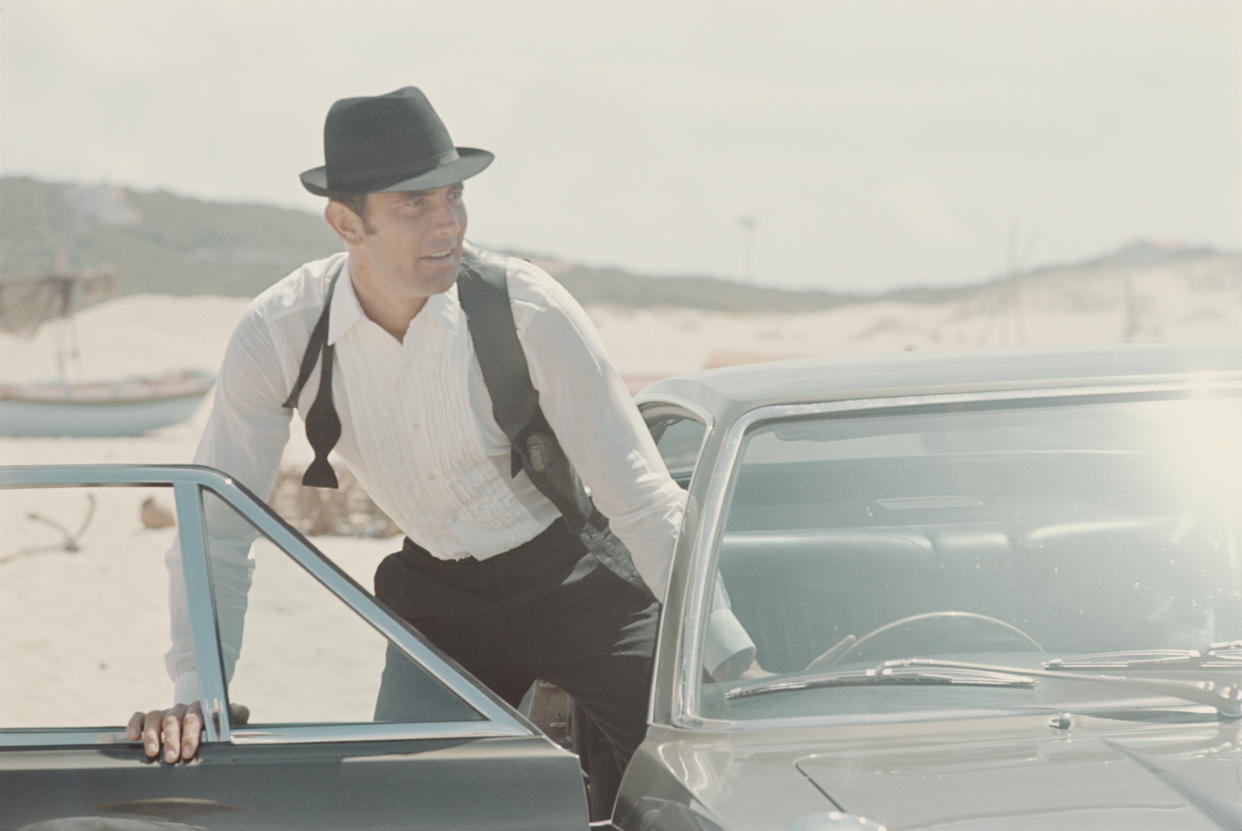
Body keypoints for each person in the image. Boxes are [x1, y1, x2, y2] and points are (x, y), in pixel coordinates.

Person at [127, 85, 752, 818]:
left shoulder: (527, 309)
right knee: (400, 803)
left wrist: (734, 663)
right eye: (412, 204)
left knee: (690, 774)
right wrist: (199, 694)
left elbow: (642, 500)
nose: (447, 222)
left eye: (454, 195)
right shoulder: (279, 334)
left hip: (576, 576)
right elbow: (220, 530)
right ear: (344, 223)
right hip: (439, 601)